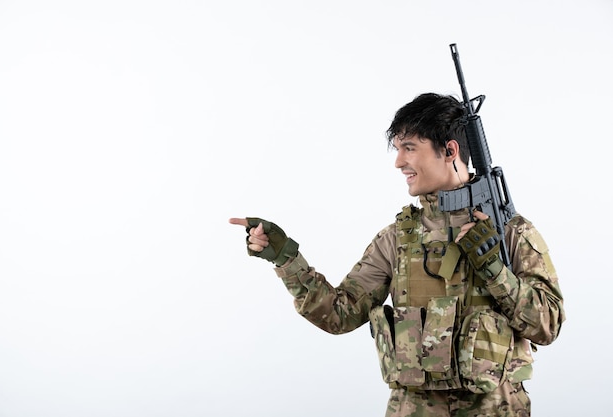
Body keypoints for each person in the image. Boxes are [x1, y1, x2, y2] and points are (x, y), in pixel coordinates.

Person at [229, 93, 565, 417]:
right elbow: (339, 314)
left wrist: (495, 270)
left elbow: (547, 326)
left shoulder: (509, 231)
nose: (399, 162)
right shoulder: (397, 239)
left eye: (409, 148)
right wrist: (285, 258)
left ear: (450, 150)